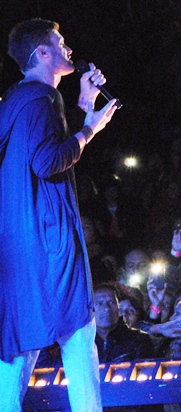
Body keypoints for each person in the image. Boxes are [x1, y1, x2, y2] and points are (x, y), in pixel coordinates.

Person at [0, 18, 118, 412]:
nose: (68, 47)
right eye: (60, 41)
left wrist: (84, 106)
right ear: (42, 53)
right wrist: (89, 130)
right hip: (49, 239)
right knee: (78, 332)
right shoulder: (41, 99)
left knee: (20, 340)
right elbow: (48, 160)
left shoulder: (17, 100)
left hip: (19, 241)